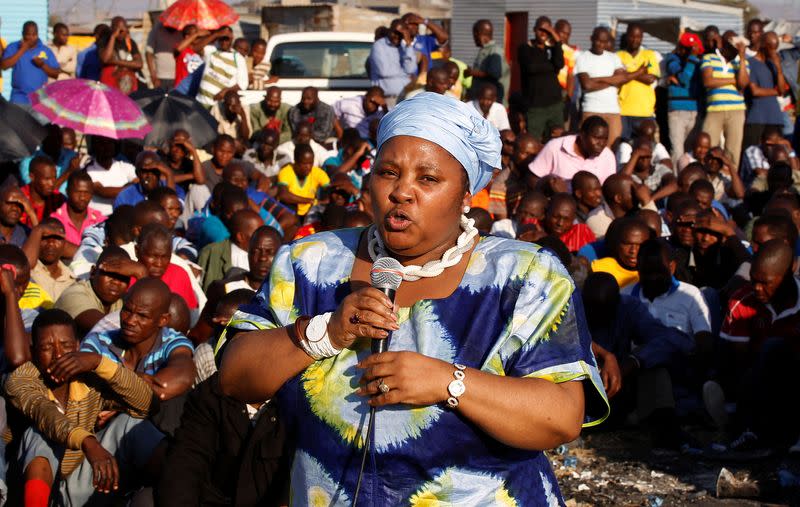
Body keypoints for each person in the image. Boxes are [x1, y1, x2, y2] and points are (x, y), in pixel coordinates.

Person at [218, 92, 606, 506]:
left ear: (465, 195)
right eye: (388, 172)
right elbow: (234, 375)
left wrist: (448, 381)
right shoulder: (309, 263)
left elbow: (562, 415)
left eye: (427, 179)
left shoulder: (523, 275)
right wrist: (324, 332)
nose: (402, 192)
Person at [5, 309, 162, 507]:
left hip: (76, 484)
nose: (58, 355)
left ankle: (174, 488)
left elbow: (149, 405)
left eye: (66, 345)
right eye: (47, 348)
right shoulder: (21, 380)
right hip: (26, 487)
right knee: (39, 435)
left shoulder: (89, 379)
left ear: (78, 346)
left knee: (131, 423)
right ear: (34, 351)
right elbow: (45, 413)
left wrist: (99, 363)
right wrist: (89, 442)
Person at [583, 272, 695, 448]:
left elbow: (670, 340)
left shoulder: (628, 307)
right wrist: (604, 355)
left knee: (656, 370)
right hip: (580, 393)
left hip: (619, 391)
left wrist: (631, 363)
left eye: (604, 311)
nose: (598, 317)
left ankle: (665, 429)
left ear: (616, 303)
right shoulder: (571, 312)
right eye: (592, 310)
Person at [717, 240, 800, 448]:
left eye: (765, 282)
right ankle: (745, 426)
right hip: (756, 382)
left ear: (790, 271)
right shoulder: (742, 300)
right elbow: (737, 362)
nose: (757, 288)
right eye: (753, 280)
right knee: (769, 351)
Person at [624, 238, 712, 344]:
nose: (652, 278)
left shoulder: (691, 295)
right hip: (635, 358)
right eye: (647, 272)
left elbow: (704, 339)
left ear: (672, 267)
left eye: (658, 271)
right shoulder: (624, 296)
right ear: (638, 268)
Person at [575, 27, 643, 148]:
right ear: (591, 39)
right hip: (591, 109)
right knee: (589, 147)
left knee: (613, 148)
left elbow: (622, 79)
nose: (601, 44)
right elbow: (587, 85)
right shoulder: (582, 57)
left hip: (613, 111)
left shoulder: (613, 57)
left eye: (605, 41)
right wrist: (612, 80)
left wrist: (597, 79)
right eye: (598, 41)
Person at [55, 246, 131, 337]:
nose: (116, 281)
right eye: (109, 274)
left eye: (122, 277)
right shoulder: (74, 294)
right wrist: (142, 274)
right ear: (93, 272)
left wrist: (142, 276)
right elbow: (108, 328)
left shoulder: (122, 300)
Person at [701, 31, 750, 169]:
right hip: (714, 109)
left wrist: (741, 57)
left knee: (733, 150)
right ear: (725, 44)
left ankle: (730, 181)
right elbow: (708, 81)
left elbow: (743, 84)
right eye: (733, 48)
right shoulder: (709, 58)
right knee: (709, 147)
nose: (736, 50)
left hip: (737, 110)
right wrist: (733, 80)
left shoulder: (743, 62)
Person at [129, 224, 199, 310]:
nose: (159, 264)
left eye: (165, 257)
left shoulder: (179, 275)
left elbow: (190, 313)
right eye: (153, 256)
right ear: (137, 251)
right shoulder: (127, 277)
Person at [529, 115, 616, 184]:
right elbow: (533, 178)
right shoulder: (555, 147)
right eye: (596, 138)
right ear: (582, 136)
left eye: (605, 139)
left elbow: (607, 190)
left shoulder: (607, 156)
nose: (601, 144)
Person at [518, 16, 565, 140]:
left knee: (557, 141)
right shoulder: (525, 48)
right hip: (535, 107)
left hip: (555, 104)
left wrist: (557, 40)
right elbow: (531, 68)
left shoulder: (552, 48)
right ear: (534, 30)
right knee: (534, 142)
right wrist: (551, 66)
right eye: (540, 29)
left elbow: (560, 64)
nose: (543, 33)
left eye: (547, 31)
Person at [198, 209, 263, 291]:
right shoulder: (211, 253)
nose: (263, 237)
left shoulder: (266, 257)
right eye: (258, 234)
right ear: (240, 237)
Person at [744, 31, 787, 150]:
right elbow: (755, 91)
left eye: (776, 49)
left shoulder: (772, 65)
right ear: (763, 45)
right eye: (772, 49)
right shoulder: (751, 63)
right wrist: (775, 92)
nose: (774, 52)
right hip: (757, 118)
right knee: (752, 153)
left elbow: (782, 90)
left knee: (776, 155)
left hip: (775, 117)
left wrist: (778, 68)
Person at [616, 23, 661, 138]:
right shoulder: (618, 56)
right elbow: (617, 79)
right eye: (632, 36)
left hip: (644, 111)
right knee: (623, 148)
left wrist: (627, 74)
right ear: (627, 37)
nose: (635, 40)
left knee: (644, 147)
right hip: (623, 111)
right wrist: (640, 72)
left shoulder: (649, 56)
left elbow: (651, 78)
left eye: (638, 37)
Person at [665, 32, 704, 162]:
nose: (691, 52)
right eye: (688, 49)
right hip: (677, 111)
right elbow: (685, 78)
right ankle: (678, 180)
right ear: (681, 47)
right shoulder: (672, 59)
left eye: (692, 50)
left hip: (694, 110)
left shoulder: (697, 62)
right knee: (677, 151)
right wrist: (692, 59)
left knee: (690, 151)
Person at [1, 21, 59, 105]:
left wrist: (42, 65)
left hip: (40, 99)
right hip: (19, 98)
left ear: (37, 34)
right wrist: (22, 50)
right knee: (16, 118)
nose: (31, 37)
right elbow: (4, 66)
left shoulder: (45, 50)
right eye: (28, 34)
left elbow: (56, 74)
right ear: (22, 34)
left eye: (34, 34)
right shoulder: (13, 47)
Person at [586, 173, 658, 239]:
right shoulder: (596, 219)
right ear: (618, 198)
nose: (638, 195)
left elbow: (657, 234)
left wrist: (646, 201)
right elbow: (617, 246)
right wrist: (646, 201)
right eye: (633, 192)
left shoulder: (636, 211)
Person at [50, 171, 106, 253]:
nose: (82, 197)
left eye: (87, 193)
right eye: (78, 192)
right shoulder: (55, 220)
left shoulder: (99, 220)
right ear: (67, 191)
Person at [592, 216, 653, 289]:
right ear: (617, 244)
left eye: (640, 245)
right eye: (627, 244)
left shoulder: (657, 272)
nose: (633, 250)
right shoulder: (600, 269)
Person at [23, 219, 75, 302]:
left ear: (65, 244)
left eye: (57, 238)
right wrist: (38, 229)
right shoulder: (29, 271)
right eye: (45, 237)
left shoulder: (72, 278)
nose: (51, 243)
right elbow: (23, 265)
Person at [367, 19, 418, 106]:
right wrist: (404, 74)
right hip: (388, 99)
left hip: (405, 97)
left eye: (400, 34)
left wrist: (409, 45)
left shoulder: (404, 46)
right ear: (389, 30)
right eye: (394, 32)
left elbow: (410, 69)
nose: (396, 36)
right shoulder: (379, 45)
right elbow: (384, 71)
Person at [84, 136, 137, 216]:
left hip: (123, 218)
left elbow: (140, 183)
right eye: (102, 143)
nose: (106, 146)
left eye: (110, 142)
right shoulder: (88, 169)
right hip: (97, 220)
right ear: (95, 146)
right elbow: (102, 191)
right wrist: (130, 187)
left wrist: (133, 187)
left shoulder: (125, 166)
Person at [197, 26, 249, 108]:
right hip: (200, 100)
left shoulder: (238, 58)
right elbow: (196, 48)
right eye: (221, 39)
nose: (224, 42)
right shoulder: (212, 50)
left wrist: (225, 91)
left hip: (217, 106)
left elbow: (243, 84)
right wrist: (215, 34)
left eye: (227, 39)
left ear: (232, 38)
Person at [276, 144, 331, 218]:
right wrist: (311, 201)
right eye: (304, 163)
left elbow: (330, 191)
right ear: (295, 161)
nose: (308, 167)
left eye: (311, 163)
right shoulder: (286, 172)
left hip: (310, 211)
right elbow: (283, 195)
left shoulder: (318, 173)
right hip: (291, 212)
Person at [113, 151, 181, 208]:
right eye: (144, 171)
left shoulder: (177, 189)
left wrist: (169, 174)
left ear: (159, 173)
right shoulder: (125, 196)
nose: (149, 175)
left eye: (153, 171)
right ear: (137, 173)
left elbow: (173, 212)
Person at [466, 20, 510, 104]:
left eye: (474, 34)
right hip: (482, 102)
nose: (474, 38)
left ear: (478, 33)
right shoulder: (485, 50)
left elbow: (495, 73)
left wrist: (472, 73)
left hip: (493, 103)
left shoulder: (495, 50)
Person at [99, 17, 143, 95]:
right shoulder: (105, 41)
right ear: (112, 29)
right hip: (110, 87)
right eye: (118, 29)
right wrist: (113, 37)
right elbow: (106, 59)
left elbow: (139, 63)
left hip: (128, 87)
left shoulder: (130, 43)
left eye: (123, 29)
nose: (121, 32)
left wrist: (114, 61)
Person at [21, 156, 66, 228]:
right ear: (32, 177)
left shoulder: (58, 199)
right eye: (46, 179)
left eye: (54, 178)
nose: (51, 183)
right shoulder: (19, 199)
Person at [145, 19, 181, 90]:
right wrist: (153, 76)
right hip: (160, 78)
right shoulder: (156, 29)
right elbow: (149, 53)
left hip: (177, 78)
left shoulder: (181, 30)